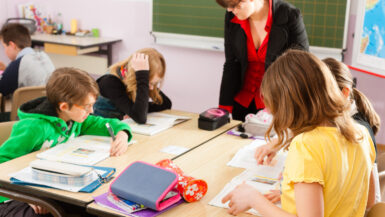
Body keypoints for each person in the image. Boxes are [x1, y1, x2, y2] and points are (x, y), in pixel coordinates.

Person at [222, 50, 376, 217]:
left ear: (288, 109)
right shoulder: (361, 134)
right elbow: (368, 201)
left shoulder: (306, 145)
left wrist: (254, 199)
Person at [0, 67, 132, 217]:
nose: (92, 111)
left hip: (50, 190)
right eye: (87, 106)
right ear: (64, 106)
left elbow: (107, 124)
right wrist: (26, 195)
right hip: (11, 198)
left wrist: (122, 134)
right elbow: (2, 162)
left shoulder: (75, 118)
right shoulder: (34, 128)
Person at [255, 57, 382, 204]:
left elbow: (370, 199)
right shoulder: (352, 130)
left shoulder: (356, 132)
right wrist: (280, 141)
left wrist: (300, 190)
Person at [215, 0, 309, 121]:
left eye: (234, 5)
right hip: (242, 102)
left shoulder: (289, 15)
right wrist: (224, 109)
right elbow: (231, 63)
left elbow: (302, 64)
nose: (229, 10)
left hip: (275, 105)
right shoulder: (232, 16)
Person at [93, 48, 172, 124]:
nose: (151, 88)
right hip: (101, 132)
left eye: (154, 83)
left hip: (121, 130)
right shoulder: (109, 82)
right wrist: (142, 77)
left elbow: (166, 103)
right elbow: (140, 118)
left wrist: (135, 110)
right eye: (149, 83)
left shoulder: (132, 78)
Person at [0, 23, 54, 97]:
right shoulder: (44, 56)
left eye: (4, 47)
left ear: (12, 45)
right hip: (52, 105)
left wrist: (7, 71)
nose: (4, 51)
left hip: (31, 106)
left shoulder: (18, 64)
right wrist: (7, 69)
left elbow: (2, 89)